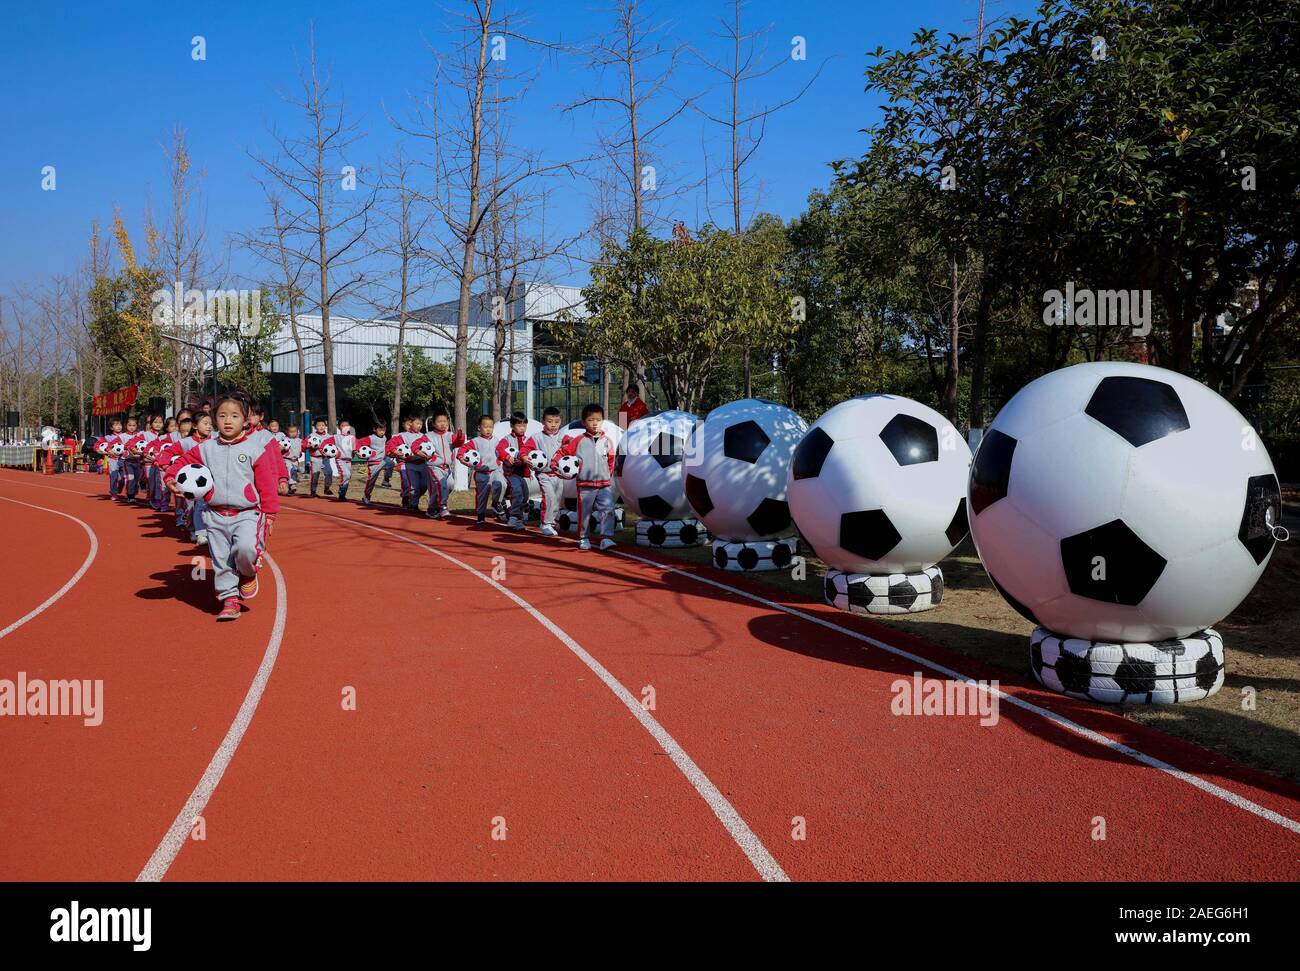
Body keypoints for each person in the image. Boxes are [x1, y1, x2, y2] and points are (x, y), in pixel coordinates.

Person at [165, 390, 282, 622]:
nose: (228, 421)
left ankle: (248, 574)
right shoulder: (206, 448)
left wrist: (270, 513)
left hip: (247, 513)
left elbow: (267, 484)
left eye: (235, 416)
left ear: (246, 420)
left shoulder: (254, 449)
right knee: (221, 560)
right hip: (214, 514)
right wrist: (170, 477)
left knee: (246, 550)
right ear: (215, 419)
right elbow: (181, 462)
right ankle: (229, 600)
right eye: (223, 416)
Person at [552, 403, 618, 550]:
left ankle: (606, 538)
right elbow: (561, 453)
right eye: (591, 420)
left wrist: (607, 475)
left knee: (608, 509)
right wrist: (554, 465)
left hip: (604, 484)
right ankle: (584, 538)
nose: (595, 423)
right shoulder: (577, 440)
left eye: (598, 420)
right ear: (584, 422)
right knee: (585, 513)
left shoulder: (607, 441)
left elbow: (611, 460)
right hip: (585, 485)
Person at [523, 407, 567, 537]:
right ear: (543, 421)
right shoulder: (536, 438)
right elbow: (525, 449)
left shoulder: (564, 437)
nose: (553, 425)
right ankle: (545, 523)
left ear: (561, 422)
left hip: (559, 475)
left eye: (556, 422)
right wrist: (525, 457)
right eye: (549, 421)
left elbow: (574, 445)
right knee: (549, 497)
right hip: (543, 474)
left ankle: (552, 522)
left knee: (557, 499)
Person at [457, 415, 505, 524]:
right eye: (485, 426)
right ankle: (480, 515)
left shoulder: (496, 440)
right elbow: (463, 449)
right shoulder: (475, 441)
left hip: (495, 471)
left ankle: (496, 503)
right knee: (482, 496)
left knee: (501, 484)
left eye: (491, 427)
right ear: (479, 428)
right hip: (481, 473)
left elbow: (502, 451)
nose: (488, 429)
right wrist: (460, 457)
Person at [424, 410, 464, 519]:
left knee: (449, 485)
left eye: (445, 421)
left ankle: (432, 508)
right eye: (439, 421)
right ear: (434, 423)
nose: (443, 424)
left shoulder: (450, 435)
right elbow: (416, 445)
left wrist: (460, 436)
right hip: (434, 466)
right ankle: (443, 507)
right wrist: (418, 451)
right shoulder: (428, 436)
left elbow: (458, 442)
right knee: (441, 485)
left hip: (448, 468)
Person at [496, 413, 533, 530]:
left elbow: (533, 453)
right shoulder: (507, 439)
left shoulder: (528, 440)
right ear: (512, 426)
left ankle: (519, 519)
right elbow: (499, 449)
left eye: (524, 425)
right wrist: (507, 457)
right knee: (517, 492)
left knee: (525, 496)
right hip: (511, 474)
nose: (522, 428)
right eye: (519, 425)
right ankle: (513, 516)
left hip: (524, 474)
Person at [359, 421, 389, 506]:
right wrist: (357, 451)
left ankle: (386, 480)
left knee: (390, 463)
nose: (382, 432)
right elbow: (359, 442)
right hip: (374, 463)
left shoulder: (384, 437)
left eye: (384, 430)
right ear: (374, 429)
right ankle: (366, 496)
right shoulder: (370, 438)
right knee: (371, 481)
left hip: (382, 461)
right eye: (380, 430)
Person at [307, 418, 331, 497]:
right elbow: (304, 444)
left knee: (329, 473)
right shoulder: (311, 436)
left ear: (325, 426)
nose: (321, 427)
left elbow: (334, 446)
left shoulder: (329, 436)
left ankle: (327, 488)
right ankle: (313, 491)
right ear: (315, 427)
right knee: (315, 475)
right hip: (315, 458)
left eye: (323, 425)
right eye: (319, 425)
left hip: (325, 458)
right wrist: (307, 445)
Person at [332, 419, 356, 501]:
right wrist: (323, 450)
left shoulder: (351, 437)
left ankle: (342, 494)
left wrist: (355, 452)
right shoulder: (336, 437)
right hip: (340, 459)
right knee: (345, 474)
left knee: (348, 476)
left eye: (347, 426)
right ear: (339, 427)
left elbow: (355, 448)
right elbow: (326, 442)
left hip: (349, 460)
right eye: (343, 426)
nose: (345, 427)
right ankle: (341, 492)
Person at [104, 418, 126, 497]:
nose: (119, 426)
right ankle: (114, 493)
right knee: (114, 477)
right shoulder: (108, 437)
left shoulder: (124, 436)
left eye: (120, 424)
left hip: (123, 460)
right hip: (113, 460)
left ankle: (121, 485)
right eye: (116, 425)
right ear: (111, 427)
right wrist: (107, 450)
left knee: (124, 477)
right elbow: (101, 446)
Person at [281, 424, 303, 496]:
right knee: (290, 470)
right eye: (291, 432)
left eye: (294, 431)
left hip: (295, 460)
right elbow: (278, 446)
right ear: (287, 432)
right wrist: (281, 448)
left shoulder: (300, 440)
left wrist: (308, 445)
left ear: (297, 432)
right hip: (287, 459)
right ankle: (292, 484)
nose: (293, 433)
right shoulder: (285, 440)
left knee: (294, 472)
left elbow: (305, 446)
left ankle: (290, 488)